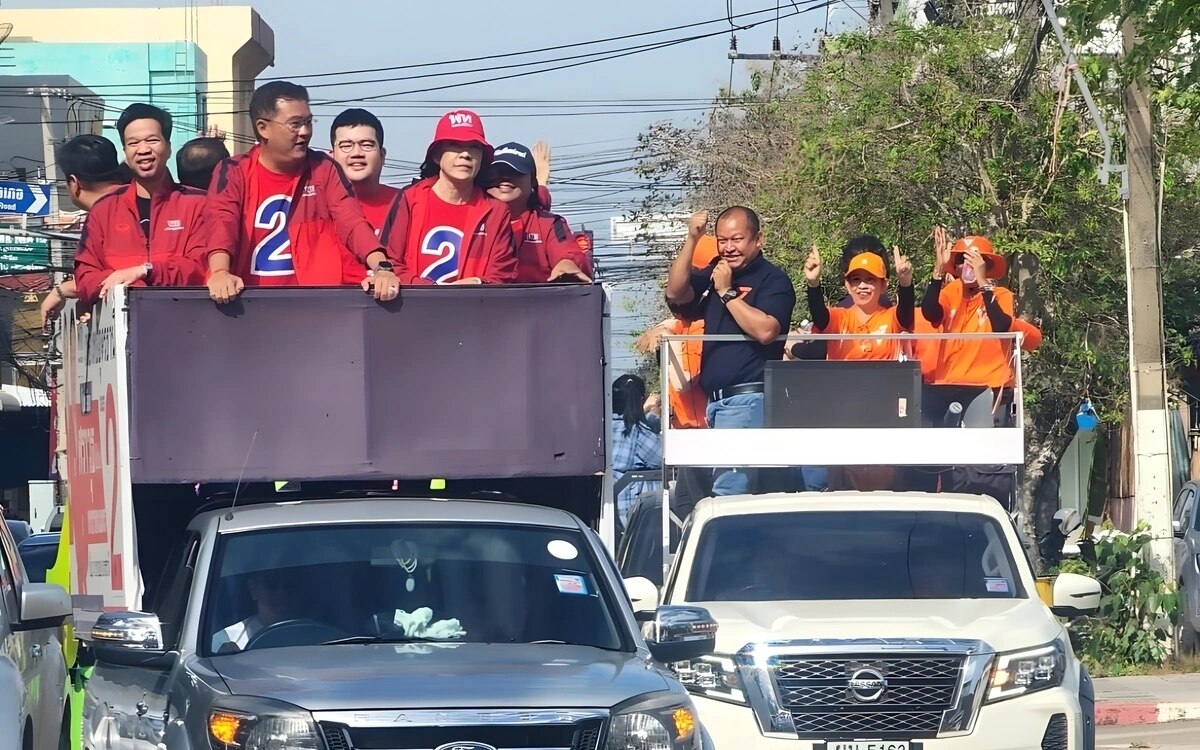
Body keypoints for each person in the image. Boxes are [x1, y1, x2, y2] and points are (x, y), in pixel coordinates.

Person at [203, 80, 399, 303]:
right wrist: (220, 273)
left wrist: (382, 267)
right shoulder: (234, 171)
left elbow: (351, 221)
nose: (305, 132)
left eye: (308, 122)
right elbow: (221, 221)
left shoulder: (323, 168)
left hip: (313, 306)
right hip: (248, 306)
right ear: (262, 127)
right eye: (295, 124)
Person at [665, 207, 796, 496]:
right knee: (720, 490)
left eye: (736, 239)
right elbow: (676, 292)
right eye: (722, 240)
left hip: (748, 399)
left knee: (730, 491)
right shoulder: (716, 272)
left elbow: (766, 331)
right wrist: (692, 239)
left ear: (758, 239)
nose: (728, 248)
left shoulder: (773, 280)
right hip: (715, 405)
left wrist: (727, 294)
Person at [72, 103, 208, 308]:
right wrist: (126, 284)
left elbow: (202, 267)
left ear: (169, 147)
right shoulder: (104, 210)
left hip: (188, 326)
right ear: (125, 151)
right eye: (133, 143)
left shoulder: (199, 204)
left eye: (152, 140)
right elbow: (85, 277)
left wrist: (146, 270)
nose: (143, 149)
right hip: (124, 331)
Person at [380, 110, 517, 285]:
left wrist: (476, 284)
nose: (465, 154)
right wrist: (434, 293)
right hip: (413, 309)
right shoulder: (408, 199)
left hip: (475, 310)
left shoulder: (496, 211)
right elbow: (388, 264)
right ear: (437, 155)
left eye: (474, 147)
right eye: (455, 145)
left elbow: (503, 274)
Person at [921, 230, 1016, 427]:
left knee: (983, 452)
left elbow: (1002, 326)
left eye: (974, 261)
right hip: (948, 387)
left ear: (986, 267)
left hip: (990, 387)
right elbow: (931, 312)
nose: (967, 266)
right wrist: (938, 271)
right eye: (962, 261)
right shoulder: (952, 291)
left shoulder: (1001, 294)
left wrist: (983, 283)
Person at [41, 134, 132, 324]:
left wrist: (67, 289)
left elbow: (130, 273)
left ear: (74, 182)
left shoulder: (110, 212)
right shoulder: (142, 195)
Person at [487, 142, 591, 283]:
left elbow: (567, 252)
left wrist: (566, 265)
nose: (505, 178)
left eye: (516, 172)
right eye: (497, 171)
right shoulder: (473, 219)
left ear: (532, 182)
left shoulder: (548, 224)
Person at [803, 244, 914, 360]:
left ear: (883, 285)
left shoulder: (891, 317)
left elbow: (906, 314)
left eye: (870, 279)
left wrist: (905, 283)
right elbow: (819, 316)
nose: (862, 286)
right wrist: (813, 284)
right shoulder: (839, 318)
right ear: (848, 286)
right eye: (856, 279)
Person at [329, 108, 400, 285]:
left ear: (382, 155)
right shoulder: (316, 205)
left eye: (367, 145)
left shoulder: (406, 203)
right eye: (346, 145)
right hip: (330, 307)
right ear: (332, 156)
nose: (357, 153)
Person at [611, 374, 663, 525]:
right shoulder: (636, 432)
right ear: (640, 400)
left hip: (610, 513)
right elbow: (664, 456)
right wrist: (655, 417)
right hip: (634, 518)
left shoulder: (602, 428)